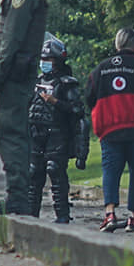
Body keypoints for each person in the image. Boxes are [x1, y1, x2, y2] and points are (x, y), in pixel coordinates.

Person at [0, 0, 48, 216]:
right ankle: (21, 198)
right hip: (20, 74)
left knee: (11, 136)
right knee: (15, 135)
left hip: (14, 76)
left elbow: (10, 41)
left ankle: (18, 198)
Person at [86, 28, 134, 233]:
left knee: (110, 171)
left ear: (117, 44)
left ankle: (110, 214)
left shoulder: (100, 69)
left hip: (110, 129)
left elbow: (89, 97)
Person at [27, 36, 87, 223]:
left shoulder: (67, 83)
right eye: (43, 60)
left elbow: (77, 110)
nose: (45, 64)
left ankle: (62, 215)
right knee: (34, 172)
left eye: (49, 60)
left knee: (55, 171)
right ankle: (31, 215)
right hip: (36, 133)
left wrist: (56, 102)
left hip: (58, 134)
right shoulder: (35, 81)